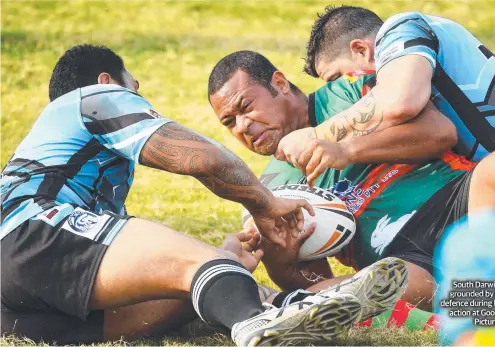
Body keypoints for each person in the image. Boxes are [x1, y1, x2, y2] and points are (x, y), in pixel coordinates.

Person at [0, 44, 367, 346]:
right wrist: (264, 204)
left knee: (190, 285)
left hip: (18, 302)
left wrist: (225, 260)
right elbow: (201, 158)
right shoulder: (96, 97)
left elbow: (152, 274)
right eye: (135, 88)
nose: (138, 98)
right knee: (199, 263)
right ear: (107, 80)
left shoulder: (74, 173)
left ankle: (289, 305)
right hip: (28, 232)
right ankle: (258, 323)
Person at [207, 51, 495, 320]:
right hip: (398, 259)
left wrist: (346, 149)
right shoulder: (269, 188)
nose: (243, 126)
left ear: (280, 84)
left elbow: (439, 132)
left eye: (246, 107)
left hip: (459, 199)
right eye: (230, 122)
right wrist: (283, 258)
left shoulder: (352, 91)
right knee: (355, 292)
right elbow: (313, 280)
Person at [276, 6, 495, 277]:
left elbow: (400, 101)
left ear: (361, 49)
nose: (348, 89)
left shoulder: (403, 27)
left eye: (340, 77)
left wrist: (320, 135)